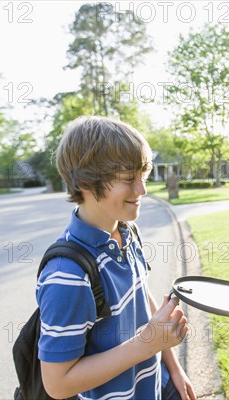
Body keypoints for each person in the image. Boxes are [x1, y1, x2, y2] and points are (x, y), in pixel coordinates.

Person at [37, 116, 196, 400]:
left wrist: (173, 367)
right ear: (85, 182)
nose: (142, 190)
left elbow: (142, 297)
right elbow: (57, 383)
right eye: (128, 179)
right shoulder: (67, 273)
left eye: (143, 176)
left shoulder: (126, 230)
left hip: (156, 386)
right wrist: (148, 344)